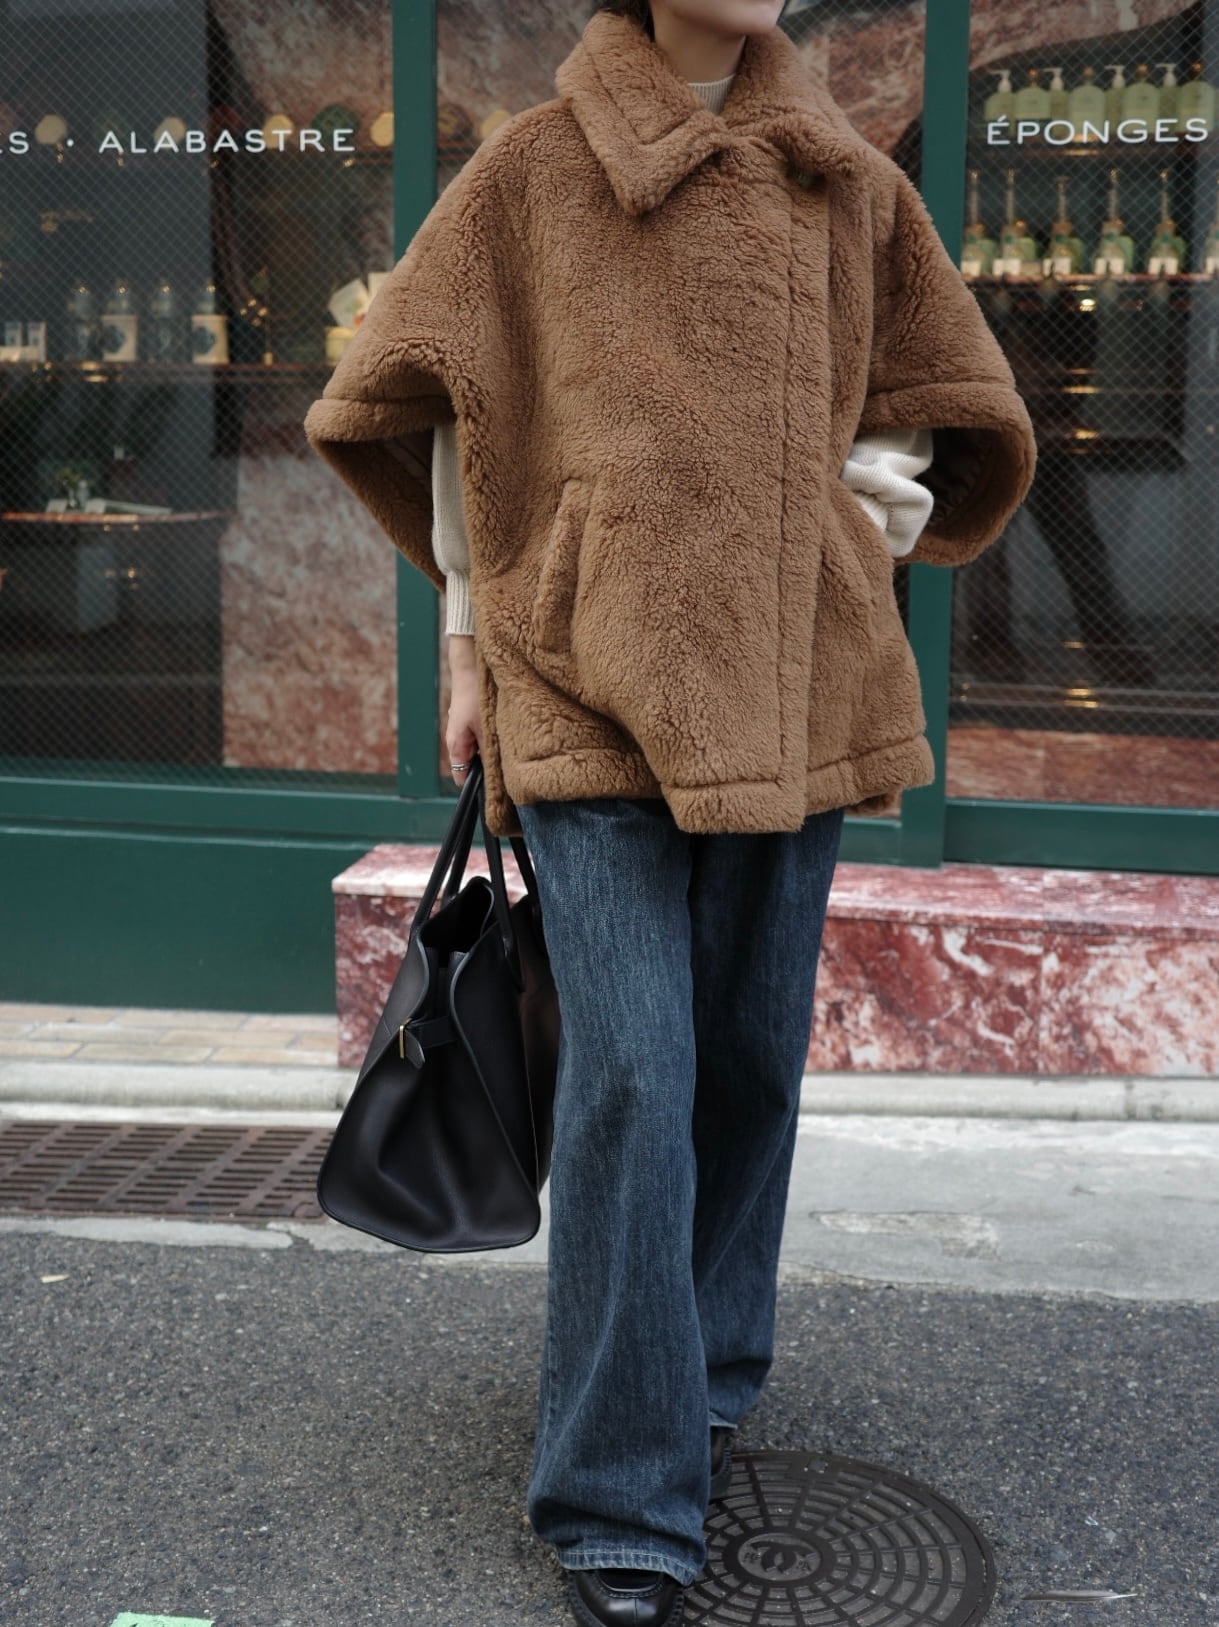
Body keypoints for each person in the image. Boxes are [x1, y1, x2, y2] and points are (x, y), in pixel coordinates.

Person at [303, 4, 1037, 1622]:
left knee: (750, 1056)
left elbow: (917, 391)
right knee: (632, 1072)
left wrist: (849, 531)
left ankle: (701, 1367)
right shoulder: (534, 171)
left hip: (796, 671)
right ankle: (620, 1497)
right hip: (585, 676)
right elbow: (457, 416)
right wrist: (466, 641)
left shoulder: (845, 179)